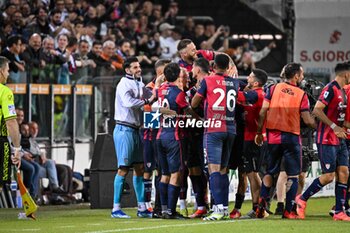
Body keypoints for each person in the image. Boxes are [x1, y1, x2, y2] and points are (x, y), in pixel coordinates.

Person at [255, 63, 316, 219]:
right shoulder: (301, 94)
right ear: (296, 76)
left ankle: (261, 207)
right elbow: (307, 120)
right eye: (301, 74)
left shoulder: (272, 89)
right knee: (293, 176)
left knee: (269, 172)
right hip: (291, 137)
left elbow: (262, 112)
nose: (302, 77)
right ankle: (288, 211)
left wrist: (259, 132)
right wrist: (320, 125)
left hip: (273, 136)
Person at [296, 61, 350, 221]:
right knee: (328, 176)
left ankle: (340, 211)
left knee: (344, 173)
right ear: (346, 73)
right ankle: (302, 199)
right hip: (326, 138)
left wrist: (342, 127)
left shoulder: (343, 92)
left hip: (339, 139)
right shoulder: (330, 89)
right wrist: (334, 127)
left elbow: (343, 120)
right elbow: (317, 110)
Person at [192, 54, 240, 220]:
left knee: (213, 170)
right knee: (223, 170)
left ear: (213, 66)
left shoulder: (208, 80)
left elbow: (194, 103)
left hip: (213, 129)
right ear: (228, 67)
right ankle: (225, 207)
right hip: (230, 130)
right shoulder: (235, 82)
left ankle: (218, 209)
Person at [111, 57, 154, 219]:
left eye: (139, 66)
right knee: (123, 168)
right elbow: (129, 102)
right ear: (127, 70)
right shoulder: (123, 84)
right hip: (124, 129)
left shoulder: (139, 83)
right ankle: (116, 208)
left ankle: (142, 207)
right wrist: (148, 100)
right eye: (135, 67)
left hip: (136, 130)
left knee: (139, 168)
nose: (138, 69)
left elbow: (149, 97)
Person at [156, 62, 198, 219]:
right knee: (176, 174)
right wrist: (201, 120)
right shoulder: (179, 94)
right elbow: (188, 112)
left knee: (164, 174)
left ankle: (164, 209)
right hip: (174, 137)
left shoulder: (161, 90)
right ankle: (171, 211)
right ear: (178, 76)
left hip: (160, 136)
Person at [230, 69, 268, 219]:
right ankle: (259, 207)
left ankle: (258, 208)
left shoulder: (255, 94)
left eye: (250, 77)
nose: (247, 78)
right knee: (253, 174)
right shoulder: (259, 94)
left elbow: (235, 95)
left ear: (256, 83)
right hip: (254, 138)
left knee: (252, 174)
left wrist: (229, 82)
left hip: (252, 139)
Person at [187, 58, 210, 218]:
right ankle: (201, 205)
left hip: (207, 132)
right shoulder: (189, 89)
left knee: (210, 170)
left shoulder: (209, 83)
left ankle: (217, 205)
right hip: (191, 134)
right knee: (194, 169)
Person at [0, 56, 21, 189]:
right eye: (7, 70)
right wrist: (17, 148)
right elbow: (11, 122)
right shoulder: (4, 92)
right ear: (1, 71)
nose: (8, 74)